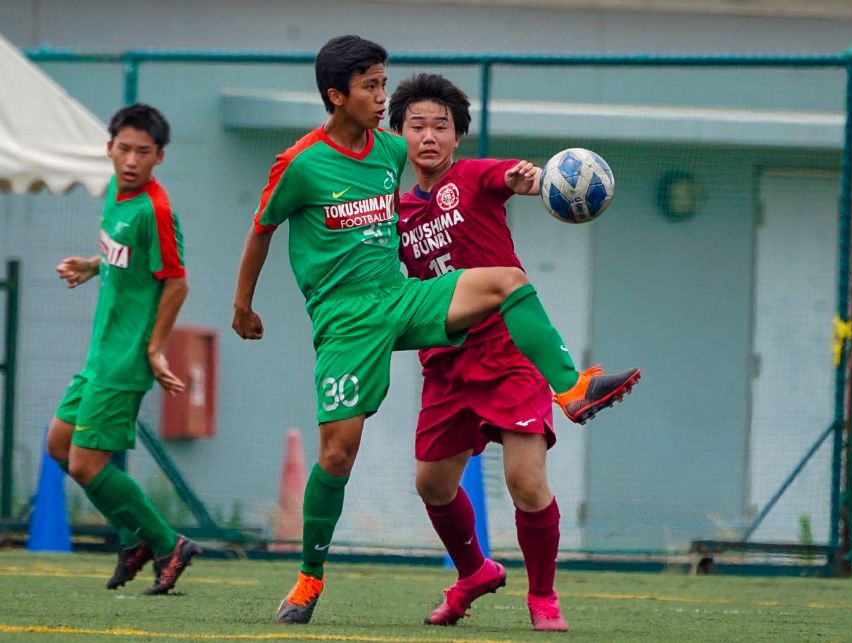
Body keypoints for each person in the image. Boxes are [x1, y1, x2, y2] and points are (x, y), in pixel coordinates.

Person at [232, 35, 639, 626]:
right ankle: (308, 579)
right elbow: (262, 229)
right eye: (372, 88)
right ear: (335, 95)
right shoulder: (304, 164)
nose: (384, 101)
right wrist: (242, 307)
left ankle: (572, 389)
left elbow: (481, 173)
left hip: (407, 302)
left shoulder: (416, 159)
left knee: (506, 281)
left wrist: (532, 179)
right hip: (348, 320)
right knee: (342, 455)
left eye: (383, 84)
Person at [388, 73, 637, 632]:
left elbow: (513, 176)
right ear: (397, 135)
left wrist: (533, 178)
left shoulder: (474, 176)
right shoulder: (395, 214)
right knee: (431, 483)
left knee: (526, 481)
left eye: (441, 126)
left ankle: (543, 597)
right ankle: (474, 571)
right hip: (446, 363)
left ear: (458, 137)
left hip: (508, 352)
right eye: (416, 125)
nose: (428, 136)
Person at [47, 103, 199, 595]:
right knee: (59, 445)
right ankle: (137, 538)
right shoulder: (116, 191)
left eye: (143, 152)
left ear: (160, 157)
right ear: (109, 148)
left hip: (126, 357)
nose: (131, 160)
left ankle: (165, 543)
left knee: (86, 464)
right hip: (100, 352)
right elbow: (125, 258)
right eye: (124, 149)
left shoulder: (155, 210)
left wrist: (155, 350)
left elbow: (177, 284)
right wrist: (93, 265)